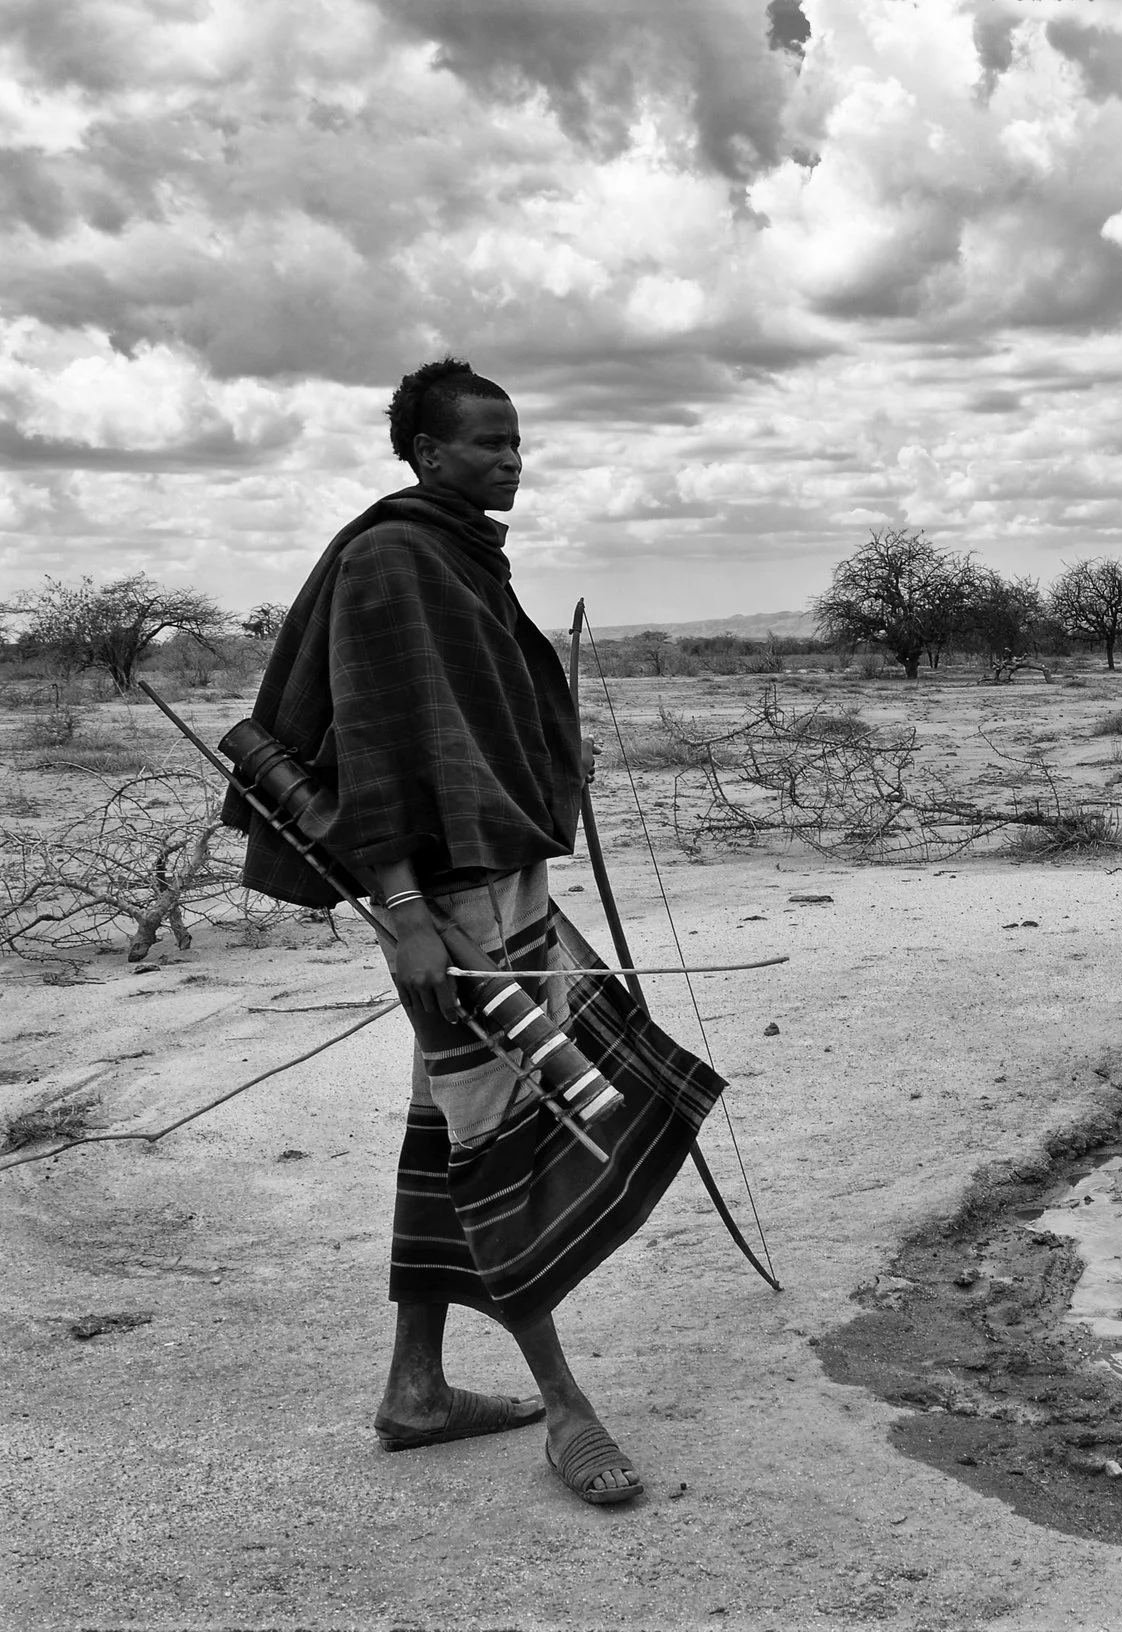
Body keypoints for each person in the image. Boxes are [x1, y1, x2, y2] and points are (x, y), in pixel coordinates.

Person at [226, 358, 643, 1505]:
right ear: (426, 453)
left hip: (491, 875)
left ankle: (417, 1388)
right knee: (499, 1133)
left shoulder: (457, 553)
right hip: (444, 895)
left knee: (452, 1116)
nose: (512, 459)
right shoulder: (392, 559)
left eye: (518, 441)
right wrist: (406, 914)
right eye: (488, 442)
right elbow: (374, 744)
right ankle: (566, 1404)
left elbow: (461, 722)